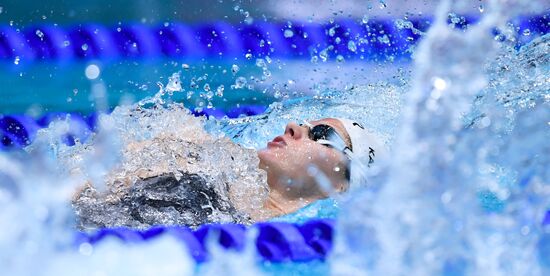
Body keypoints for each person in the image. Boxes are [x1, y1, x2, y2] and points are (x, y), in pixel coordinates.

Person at [73, 117, 384, 229]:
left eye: (321, 134)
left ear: (342, 187)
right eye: (303, 123)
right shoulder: (209, 181)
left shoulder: (256, 243)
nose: (293, 126)